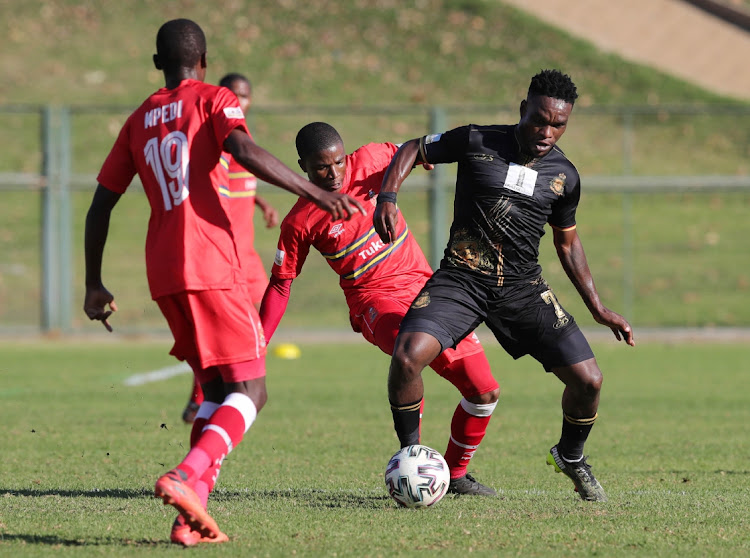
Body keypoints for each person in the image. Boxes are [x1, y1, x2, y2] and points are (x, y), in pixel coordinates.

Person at [83, 19, 363, 546]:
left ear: (156, 63)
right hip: (211, 266)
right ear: (205, 60)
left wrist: (94, 282)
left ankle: (190, 519)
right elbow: (242, 150)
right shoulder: (213, 99)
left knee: (215, 392)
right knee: (252, 392)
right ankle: (186, 475)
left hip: (163, 272)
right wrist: (317, 192)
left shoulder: (139, 118)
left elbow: (101, 203)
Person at [373, 69, 635, 502]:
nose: (547, 131)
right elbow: (413, 148)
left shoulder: (564, 176)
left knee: (589, 381)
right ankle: (411, 458)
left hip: (522, 288)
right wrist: (388, 195)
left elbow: (567, 243)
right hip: (460, 279)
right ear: (523, 110)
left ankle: (570, 456)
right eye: (540, 120)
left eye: (558, 124)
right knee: (406, 358)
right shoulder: (477, 140)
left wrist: (597, 307)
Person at [259, 122, 501, 495]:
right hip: (373, 303)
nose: (334, 173)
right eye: (321, 167)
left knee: (484, 391)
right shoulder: (300, 220)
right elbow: (281, 283)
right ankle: (411, 459)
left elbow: (408, 149)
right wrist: (258, 345)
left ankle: (454, 475)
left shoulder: (371, 158)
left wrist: (425, 157)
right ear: (303, 167)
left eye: (338, 162)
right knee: (409, 348)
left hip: (426, 289)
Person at [181, 72, 279, 424]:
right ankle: (208, 397)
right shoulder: (219, 143)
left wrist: (261, 203)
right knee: (227, 331)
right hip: (221, 256)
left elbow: (239, 185)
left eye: (245, 95)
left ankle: (224, 392)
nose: (240, 100)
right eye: (233, 94)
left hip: (246, 254)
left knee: (248, 326)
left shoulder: (243, 143)